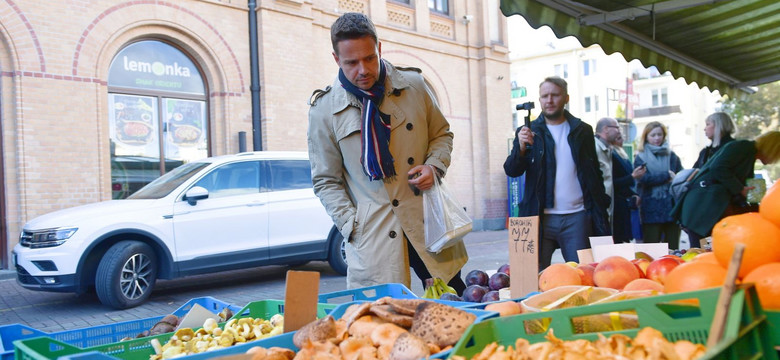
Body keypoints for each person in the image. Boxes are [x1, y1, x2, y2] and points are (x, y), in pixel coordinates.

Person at [307, 12, 467, 293]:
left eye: (369, 58)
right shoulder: (324, 110)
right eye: (351, 62)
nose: (363, 70)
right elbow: (325, 180)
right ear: (336, 59)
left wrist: (434, 167)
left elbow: (441, 135)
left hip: (425, 218)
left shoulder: (414, 86)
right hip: (374, 232)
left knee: (456, 300)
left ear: (379, 48)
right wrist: (351, 224)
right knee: (385, 316)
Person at [503, 76, 610, 271]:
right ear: (540, 99)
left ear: (566, 98)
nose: (549, 100)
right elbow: (512, 170)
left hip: (577, 217)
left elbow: (594, 172)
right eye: (545, 96)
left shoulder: (582, 130)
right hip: (538, 217)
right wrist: (520, 147)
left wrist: (600, 206)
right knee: (532, 277)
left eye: (555, 95)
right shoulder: (528, 131)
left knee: (582, 274)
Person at [672, 131, 780, 241]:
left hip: (705, 209)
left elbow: (752, 196)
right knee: (700, 251)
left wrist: (763, 211)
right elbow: (718, 167)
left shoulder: (750, 155)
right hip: (703, 208)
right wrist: (740, 189)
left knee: (702, 251)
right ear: (773, 149)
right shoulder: (744, 147)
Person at [634, 122, 683, 249]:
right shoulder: (640, 157)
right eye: (653, 135)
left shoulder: (672, 156)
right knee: (651, 250)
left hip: (671, 207)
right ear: (646, 137)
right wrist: (666, 175)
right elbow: (643, 179)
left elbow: (679, 177)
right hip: (651, 209)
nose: (657, 138)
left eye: (660, 135)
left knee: (673, 250)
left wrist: (671, 177)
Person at [610, 132, 644, 243]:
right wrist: (632, 177)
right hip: (617, 203)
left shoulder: (621, 153)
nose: (622, 140)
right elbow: (612, 182)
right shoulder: (612, 154)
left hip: (625, 202)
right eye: (619, 138)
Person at [594, 117, 621, 222]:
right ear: (606, 129)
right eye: (617, 128)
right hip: (599, 210)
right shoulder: (594, 148)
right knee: (601, 238)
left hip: (607, 210)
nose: (619, 132)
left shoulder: (608, 149)